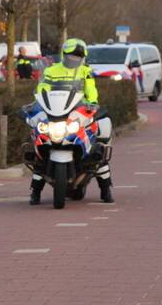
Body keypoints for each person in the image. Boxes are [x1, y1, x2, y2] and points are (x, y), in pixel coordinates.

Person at [29, 38, 115, 204]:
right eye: (71, 56)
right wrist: (37, 104)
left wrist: (93, 104)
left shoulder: (85, 71)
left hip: (77, 111)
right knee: (38, 143)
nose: (74, 59)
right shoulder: (51, 70)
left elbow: (91, 90)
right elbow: (42, 88)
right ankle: (35, 192)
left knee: (99, 143)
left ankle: (105, 190)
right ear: (64, 55)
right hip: (55, 110)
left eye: (78, 56)